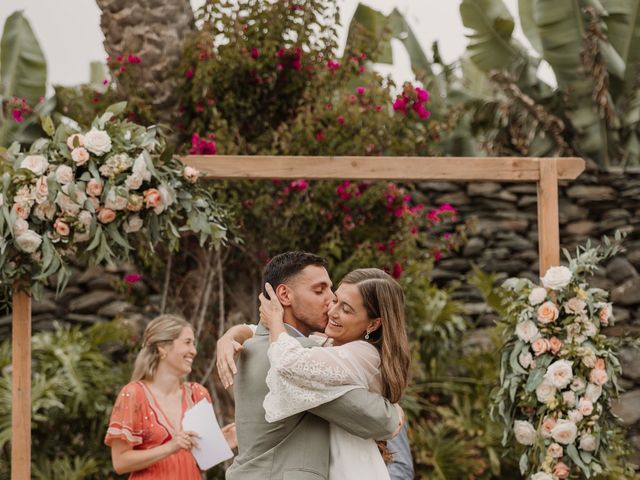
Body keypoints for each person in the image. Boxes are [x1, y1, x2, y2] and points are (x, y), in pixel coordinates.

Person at [216, 252, 406, 479]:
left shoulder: (254, 345)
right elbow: (376, 418)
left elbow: (258, 331)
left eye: (331, 293)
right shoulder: (292, 357)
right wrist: (393, 411)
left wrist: (231, 334)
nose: (329, 302)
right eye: (319, 291)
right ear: (284, 295)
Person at [104, 314, 236, 479]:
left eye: (194, 344)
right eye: (187, 342)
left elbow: (198, 463)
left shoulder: (198, 394)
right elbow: (120, 462)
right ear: (162, 348)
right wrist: (171, 446)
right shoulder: (134, 394)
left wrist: (222, 443)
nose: (193, 351)